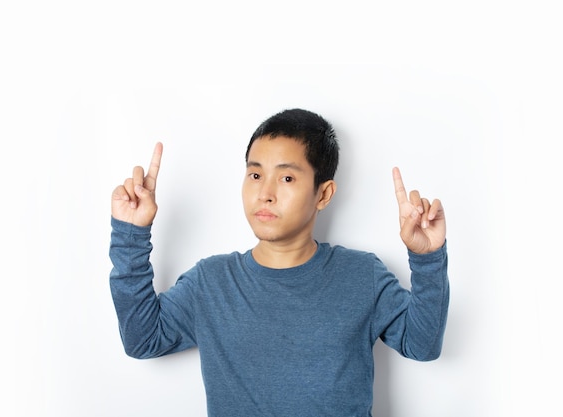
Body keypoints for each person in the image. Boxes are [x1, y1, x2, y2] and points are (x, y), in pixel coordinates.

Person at [109, 108, 449, 416]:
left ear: (324, 193)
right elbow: (142, 339)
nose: (265, 193)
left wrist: (427, 259)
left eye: (286, 178)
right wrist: (130, 235)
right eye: (255, 175)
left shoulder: (362, 275)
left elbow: (422, 345)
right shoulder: (211, 283)